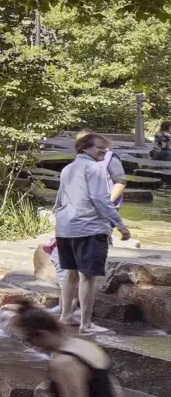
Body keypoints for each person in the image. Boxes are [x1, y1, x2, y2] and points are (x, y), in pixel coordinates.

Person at [54, 131, 130, 334]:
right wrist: (120, 225)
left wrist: (60, 223)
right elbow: (101, 199)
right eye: (100, 147)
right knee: (87, 276)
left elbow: (59, 201)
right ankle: (86, 324)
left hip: (65, 228)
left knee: (70, 273)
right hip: (89, 228)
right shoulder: (94, 169)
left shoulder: (68, 169)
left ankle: (66, 316)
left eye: (105, 148)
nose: (104, 151)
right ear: (84, 148)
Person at [12, 303, 119, 397]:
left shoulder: (64, 362)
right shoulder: (84, 345)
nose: (32, 347)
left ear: (43, 334)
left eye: (28, 341)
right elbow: (114, 389)